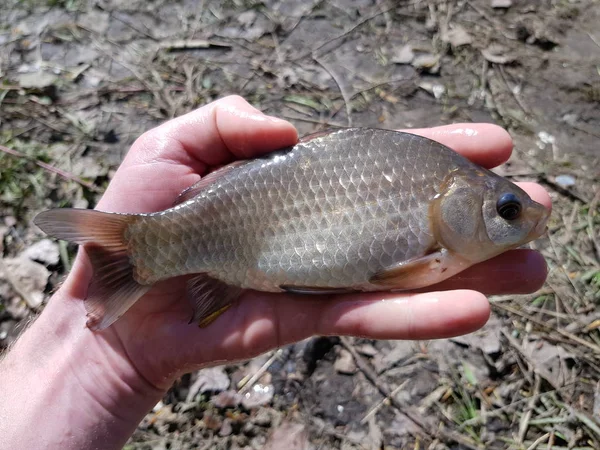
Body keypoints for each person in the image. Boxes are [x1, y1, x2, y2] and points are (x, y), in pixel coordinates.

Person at [0, 96, 551, 449]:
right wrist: (94, 354)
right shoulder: (433, 216)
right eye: (507, 210)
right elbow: (396, 277)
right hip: (237, 240)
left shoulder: (436, 192)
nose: (519, 220)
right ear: (454, 201)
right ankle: (139, 255)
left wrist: (91, 364)